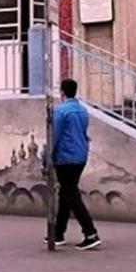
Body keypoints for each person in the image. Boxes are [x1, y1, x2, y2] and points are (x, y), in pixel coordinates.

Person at [49, 78, 101, 250]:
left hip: (65, 158)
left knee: (70, 193)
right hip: (80, 156)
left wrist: (47, 157)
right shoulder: (82, 110)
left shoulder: (61, 111)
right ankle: (58, 233)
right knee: (66, 193)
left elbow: (54, 137)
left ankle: (90, 233)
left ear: (62, 92)